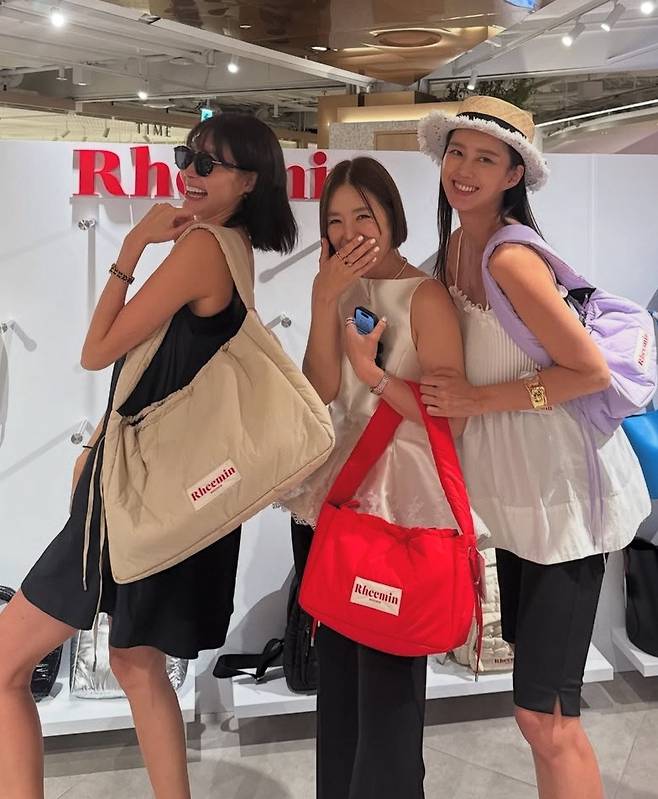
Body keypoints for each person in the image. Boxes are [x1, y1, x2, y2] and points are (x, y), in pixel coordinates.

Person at [0, 113, 297, 799]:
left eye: (208, 165)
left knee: (9, 667)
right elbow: (157, 372)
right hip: (158, 493)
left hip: (134, 499)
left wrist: (130, 246)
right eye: (187, 156)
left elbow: (97, 350)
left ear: (248, 182)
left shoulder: (204, 249)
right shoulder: (233, 249)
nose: (189, 173)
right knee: (137, 663)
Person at [417, 95, 651, 799]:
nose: (464, 169)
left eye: (486, 158)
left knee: (546, 717)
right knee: (537, 708)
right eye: (457, 152)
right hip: (519, 500)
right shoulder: (452, 251)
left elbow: (589, 372)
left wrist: (477, 400)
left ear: (514, 174)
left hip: (566, 499)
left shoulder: (511, 258)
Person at [282, 156, 467, 799]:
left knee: (388, 690)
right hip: (338, 492)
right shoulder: (339, 287)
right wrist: (322, 297)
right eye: (335, 220)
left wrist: (377, 377)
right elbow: (321, 389)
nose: (349, 232)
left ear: (391, 215)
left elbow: (451, 416)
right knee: (339, 689)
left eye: (363, 214)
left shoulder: (426, 296)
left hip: (402, 501)